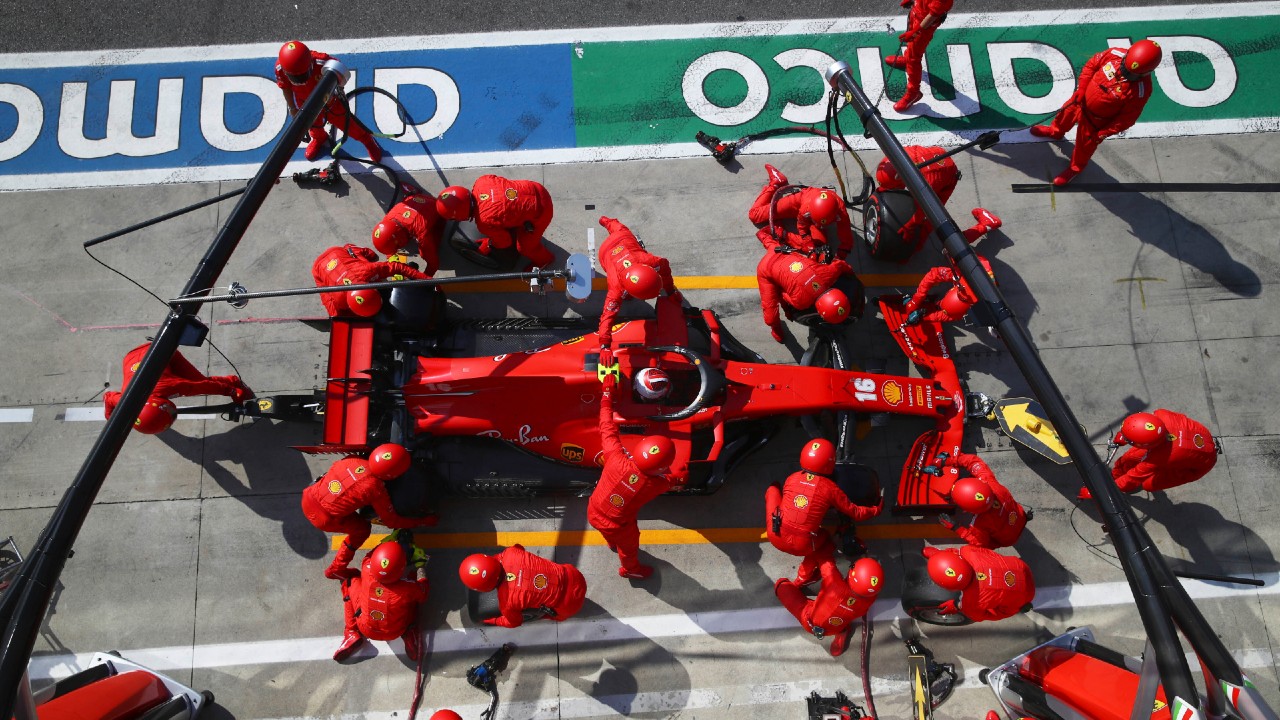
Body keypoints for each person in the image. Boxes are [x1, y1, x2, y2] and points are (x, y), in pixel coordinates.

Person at [587, 373, 683, 579]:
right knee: (629, 548)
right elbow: (673, 482)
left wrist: (606, 394)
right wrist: (680, 475)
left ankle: (610, 542)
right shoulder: (654, 485)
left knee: (610, 536)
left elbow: (606, 426)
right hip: (619, 526)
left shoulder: (615, 457)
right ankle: (631, 570)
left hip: (593, 510)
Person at [1030, 39, 1163, 185]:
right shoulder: (1114, 54)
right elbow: (1091, 65)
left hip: (1096, 122)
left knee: (1084, 148)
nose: (1125, 72)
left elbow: (1127, 119)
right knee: (1063, 116)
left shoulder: (1140, 91)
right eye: (1125, 67)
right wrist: (1082, 88)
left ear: (1146, 73)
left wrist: (1103, 133)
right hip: (1080, 101)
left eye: (1132, 74)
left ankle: (1075, 168)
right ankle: (1055, 132)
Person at [301, 443, 438, 579]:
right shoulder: (374, 487)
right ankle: (336, 569)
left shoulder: (351, 458)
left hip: (309, 495)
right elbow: (392, 521)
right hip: (325, 518)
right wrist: (423, 521)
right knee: (362, 530)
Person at [766, 439, 883, 585]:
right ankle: (803, 577)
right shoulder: (829, 488)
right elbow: (855, 512)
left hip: (775, 535)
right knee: (827, 541)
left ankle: (773, 486)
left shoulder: (792, 478)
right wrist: (875, 510)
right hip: (803, 545)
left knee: (772, 490)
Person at [874, 149, 1002, 259]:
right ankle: (916, 246)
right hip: (935, 159)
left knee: (932, 221)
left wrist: (911, 225)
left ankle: (988, 224)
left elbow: (925, 209)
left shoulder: (928, 182)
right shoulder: (897, 153)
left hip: (946, 177)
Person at [103, 342, 252, 434]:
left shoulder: (173, 386)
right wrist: (111, 421)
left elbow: (203, 386)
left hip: (160, 351)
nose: (173, 411)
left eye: (170, 412)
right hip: (133, 356)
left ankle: (233, 380)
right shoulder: (126, 400)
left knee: (199, 380)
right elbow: (108, 397)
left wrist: (232, 391)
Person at [275, 40, 383, 163]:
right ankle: (319, 138)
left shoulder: (323, 61)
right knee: (312, 125)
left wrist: (334, 91)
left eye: (303, 74)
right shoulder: (280, 68)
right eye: (295, 77)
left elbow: (340, 74)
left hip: (329, 100)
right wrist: (292, 108)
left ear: (310, 63)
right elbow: (285, 87)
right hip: (304, 102)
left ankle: (366, 139)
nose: (301, 80)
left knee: (347, 124)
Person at [755, 228, 863, 343]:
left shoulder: (828, 274)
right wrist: (787, 312)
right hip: (766, 269)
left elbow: (841, 265)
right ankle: (776, 331)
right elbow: (781, 295)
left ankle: (763, 234)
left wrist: (851, 274)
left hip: (782, 252)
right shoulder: (801, 302)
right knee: (770, 317)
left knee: (771, 245)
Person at [332, 538, 429, 662]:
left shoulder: (367, 568)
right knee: (412, 601)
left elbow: (370, 555)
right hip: (396, 631)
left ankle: (351, 632)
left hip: (366, 628)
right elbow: (423, 591)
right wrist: (420, 566)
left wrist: (388, 540)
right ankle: (410, 633)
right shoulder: (407, 588)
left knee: (349, 583)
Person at [436, 175, 555, 271]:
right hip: (535, 188)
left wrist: (489, 243)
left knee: (524, 247)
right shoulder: (482, 181)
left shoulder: (484, 222)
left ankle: (545, 260)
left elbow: (505, 242)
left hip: (542, 212)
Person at [595, 216, 680, 348]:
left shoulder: (652, 262)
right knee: (617, 226)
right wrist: (670, 291)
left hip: (616, 242)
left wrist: (605, 346)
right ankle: (606, 221)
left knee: (619, 229)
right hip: (614, 244)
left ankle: (605, 221)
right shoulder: (616, 289)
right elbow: (607, 317)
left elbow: (608, 318)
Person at [774, 558, 884, 657]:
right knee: (841, 617)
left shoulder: (834, 583)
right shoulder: (868, 601)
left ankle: (800, 580)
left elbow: (824, 559)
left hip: (809, 620)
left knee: (781, 584)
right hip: (836, 627)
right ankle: (842, 633)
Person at [458, 546, 587, 628]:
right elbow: (519, 547)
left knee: (551, 615)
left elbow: (514, 622)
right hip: (573, 574)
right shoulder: (511, 552)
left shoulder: (506, 604)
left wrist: (493, 621)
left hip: (569, 605)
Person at [747, 165, 853, 260]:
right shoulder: (806, 209)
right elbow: (802, 227)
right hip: (797, 203)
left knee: (820, 249)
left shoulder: (841, 212)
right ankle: (776, 182)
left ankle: (781, 232)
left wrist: (840, 256)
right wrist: (808, 241)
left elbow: (846, 239)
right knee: (755, 215)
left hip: (811, 214)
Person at [1109, 410, 1218, 494]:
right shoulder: (1162, 414)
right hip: (1199, 440)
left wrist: (1107, 490)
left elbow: (1132, 478)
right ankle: (1113, 478)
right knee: (1129, 458)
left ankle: (1117, 487)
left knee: (1148, 485)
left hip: (1198, 466)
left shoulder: (1158, 458)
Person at [922, 545, 1034, 623]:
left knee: (998, 612)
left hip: (1026, 596)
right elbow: (961, 553)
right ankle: (939, 555)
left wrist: (958, 605)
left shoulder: (971, 605)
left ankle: (1020, 607)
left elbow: (986, 616)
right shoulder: (968, 551)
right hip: (1022, 568)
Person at [937, 453, 1028, 549]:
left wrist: (956, 527)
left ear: (966, 510)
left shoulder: (979, 524)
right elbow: (973, 461)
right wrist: (948, 460)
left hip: (1008, 539)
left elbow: (979, 543)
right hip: (1020, 517)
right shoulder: (991, 483)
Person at [311, 244, 428, 318]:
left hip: (338, 253)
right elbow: (334, 313)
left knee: (371, 257)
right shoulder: (339, 300)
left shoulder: (368, 270)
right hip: (319, 268)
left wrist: (426, 280)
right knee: (333, 309)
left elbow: (397, 267)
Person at [884, 0, 956, 112]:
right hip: (916, 14)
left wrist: (916, 32)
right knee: (911, 48)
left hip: (924, 27)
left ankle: (914, 93)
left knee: (914, 58)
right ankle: (907, 59)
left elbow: (933, 15)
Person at [371, 184, 446, 276]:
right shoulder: (388, 219)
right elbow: (388, 238)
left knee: (427, 252)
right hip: (416, 200)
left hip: (436, 206)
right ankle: (413, 194)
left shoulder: (421, 231)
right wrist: (391, 256)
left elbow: (433, 264)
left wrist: (421, 280)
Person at [902, 254, 995, 326]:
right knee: (951, 252)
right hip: (973, 262)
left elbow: (950, 316)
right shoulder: (959, 275)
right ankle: (986, 228)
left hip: (980, 270)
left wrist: (926, 318)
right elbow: (933, 275)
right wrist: (917, 299)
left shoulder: (970, 307)